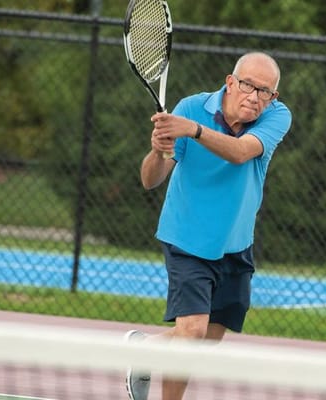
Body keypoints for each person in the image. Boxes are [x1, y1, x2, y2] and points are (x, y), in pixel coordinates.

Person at [125, 52, 292, 400]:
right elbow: (150, 180)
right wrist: (158, 152)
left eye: (266, 92)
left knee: (209, 337)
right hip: (187, 237)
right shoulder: (190, 108)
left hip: (235, 243)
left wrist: (194, 131)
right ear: (230, 82)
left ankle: (145, 350)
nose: (255, 97)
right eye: (248, 85)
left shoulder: (277, 116)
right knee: (191, 333)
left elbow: (241, 152)